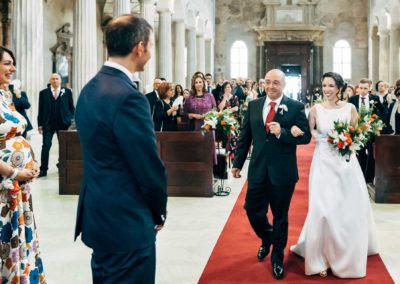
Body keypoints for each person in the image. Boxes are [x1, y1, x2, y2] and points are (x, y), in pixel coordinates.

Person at [74, 15, 168, 283]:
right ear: (140, 47)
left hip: (98, 216)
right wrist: (158, 212)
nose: (150, 52)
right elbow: (147, 166)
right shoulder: (129, 97)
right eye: (151, 45)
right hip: (126, 222)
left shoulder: (89, 89)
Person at [290, 72, 378, 278]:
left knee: (346, 208)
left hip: (346, 164)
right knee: (323, 210)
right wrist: (293, 129)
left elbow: (357, 135)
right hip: (322, 164)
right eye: (324, 85)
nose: (326, 89)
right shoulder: (315, 109)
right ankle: (321, 255)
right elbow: (304, 134)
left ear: (339, 88)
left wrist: (349, 142)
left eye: (331, 85)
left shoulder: (350, 109)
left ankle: (345, 251)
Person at [232, 69, 311, 279]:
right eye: (267, 82)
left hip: (283, 172)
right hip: (258, 169)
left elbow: (305, 138)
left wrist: (282, 133)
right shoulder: (254, 105)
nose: (271, 86)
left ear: (284, 85)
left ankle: (277, 258)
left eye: (276, 82)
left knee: (280, 216)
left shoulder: (295, 107)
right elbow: (245, 136)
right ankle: (268, 238)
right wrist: (237, 163)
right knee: (252, 210)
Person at [0, 46, 45, 282]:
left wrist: (32, 160)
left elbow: (16, 134)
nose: (13, 68)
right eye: (7, 63)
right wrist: (14, 171)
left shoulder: (5, 96)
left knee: (16, 240)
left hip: (17, 188)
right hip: (3, 186)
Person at [348, 78, 387, 183]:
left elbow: (384, 111)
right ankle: (358, 176)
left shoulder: (374, 98)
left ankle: (369, 177)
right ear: (358, 88)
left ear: (369, 88)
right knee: (359, 154)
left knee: (370, 155)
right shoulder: (353, 99)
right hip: (357, 131)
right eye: (361, 88)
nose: (363, 90)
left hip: (370, 131)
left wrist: (377, 121)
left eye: (365, 88)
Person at [37, 73, 74, 177]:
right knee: (46, 145)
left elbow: (72, 107)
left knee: (63, 146)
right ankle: (43, 169)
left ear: (60, 81)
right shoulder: (43, 93)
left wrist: (71, 120)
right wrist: (40, 124)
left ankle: (61, 164)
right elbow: (41, 109)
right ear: (50, 81)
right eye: (53, 79)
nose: (55, 80)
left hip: (63, 123)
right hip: (48, 124)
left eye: (57, 78)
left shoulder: (67, 92)